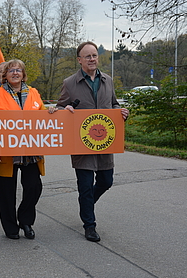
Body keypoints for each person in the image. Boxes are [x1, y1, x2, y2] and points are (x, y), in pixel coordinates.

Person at [56, 41, 129, 242]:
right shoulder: (70, 83)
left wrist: (121, 112)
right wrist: (66, 110)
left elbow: (114, 104)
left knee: (106, 181)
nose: (91, 59)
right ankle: (89, 225)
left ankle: (85, 204)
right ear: (79, 60)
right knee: (85, 186)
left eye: (94, 55)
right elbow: (59, 109)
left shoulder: (108, 80)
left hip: (105, 142)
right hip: (81, 144)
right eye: (87, 56)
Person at [0, 59, 57, 240]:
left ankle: (25, 220)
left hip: (30, 151)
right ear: (5, 75)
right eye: (11, 70)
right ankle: (10, 227)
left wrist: (49, 112)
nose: (15, 73)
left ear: (23, 74)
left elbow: (42, 116)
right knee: (6, 192)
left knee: (34, 187)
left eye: (18, 70)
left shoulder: (34, 93)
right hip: (5, 151)